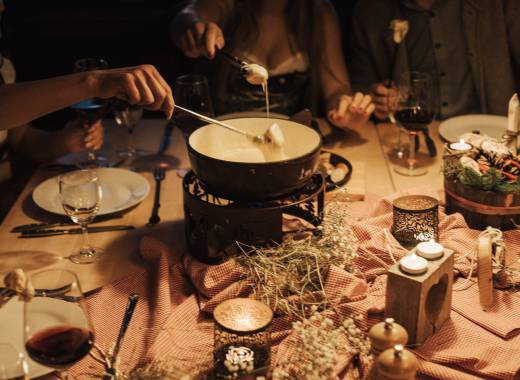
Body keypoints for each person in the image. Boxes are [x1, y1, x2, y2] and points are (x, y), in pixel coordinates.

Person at [171, 0, 374, 129]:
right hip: (220, 136)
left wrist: (346, 109)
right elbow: (189, 16)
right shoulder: (228, 5)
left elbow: (336, 91)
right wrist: (192, 29)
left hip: (285, 143)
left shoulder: (318, 12)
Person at [349, 0, 520, 121]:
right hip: (414, 139)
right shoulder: (370, 12)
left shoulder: (498, 5)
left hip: (492, 135)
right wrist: (376, 98)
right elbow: (359, 87)